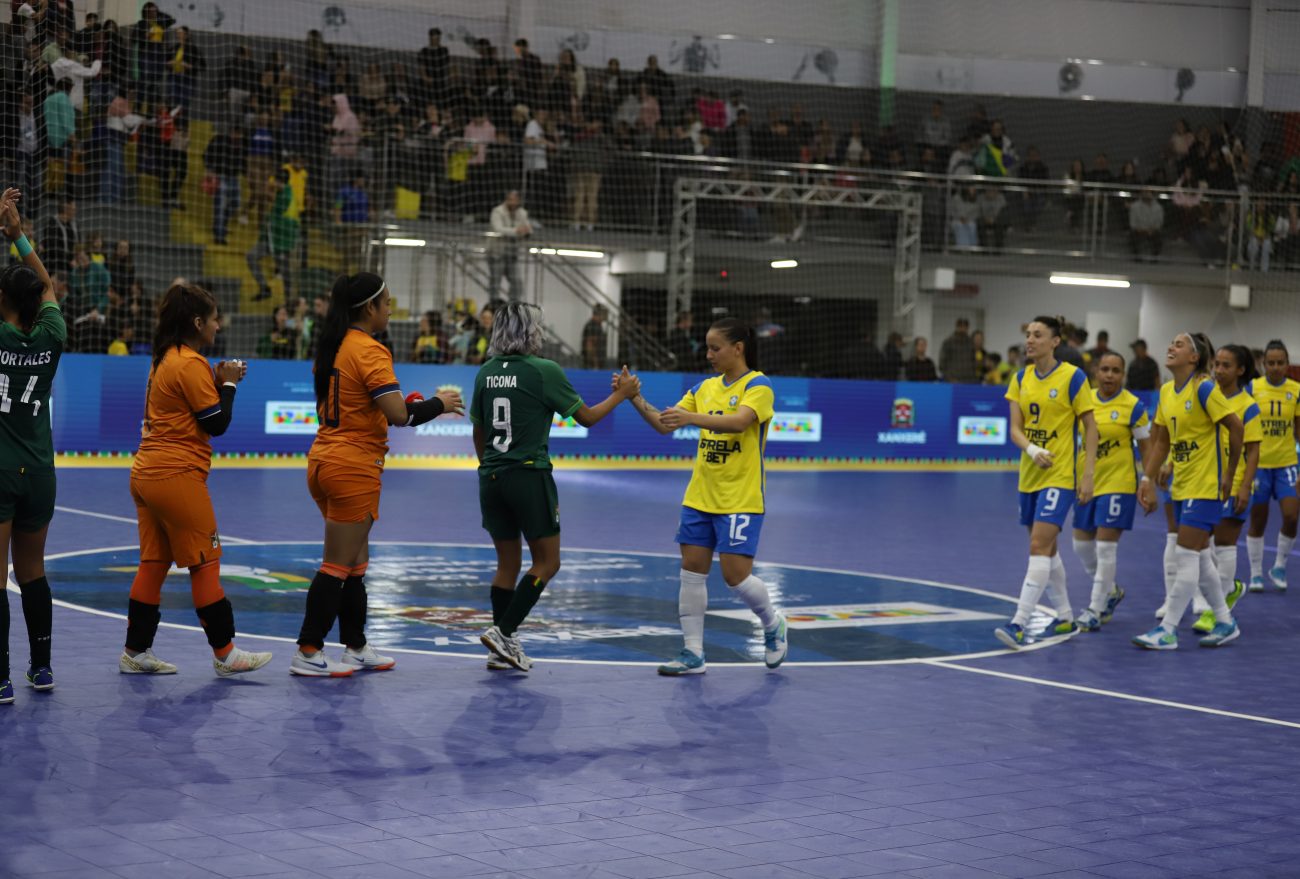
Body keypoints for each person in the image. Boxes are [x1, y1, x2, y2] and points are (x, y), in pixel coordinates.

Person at [291, 273, 464, 677]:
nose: (391, 307)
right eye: (387, 301)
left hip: (325, 461)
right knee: (336, 565)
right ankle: (308, 649)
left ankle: (355, 645)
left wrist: (408, 404)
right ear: (369, 308)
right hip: (353, 466)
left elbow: (355, 405)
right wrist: (440, 403)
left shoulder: (332, 347)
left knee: (354, 564)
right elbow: (399, 416)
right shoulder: (370, 351)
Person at [474, 303, 641, 671]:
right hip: (529, 476)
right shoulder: (543, 371)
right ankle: (503, 633)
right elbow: (588, 418)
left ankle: (501, 647)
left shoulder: (485, 373)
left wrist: (488, 468)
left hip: (491, 478)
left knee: (507, 564)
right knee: (548, 562)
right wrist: (623, 394)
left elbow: (479, 429)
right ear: (529, 331)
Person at [119, 282, 272, 677]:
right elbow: (216, 423)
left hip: (146, 473)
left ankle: (135, 652)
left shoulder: (165, 358)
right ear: (198, 321)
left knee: (153, 563)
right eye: (216, 319)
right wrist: (230, 383)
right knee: (206, 562)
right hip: (177, 475)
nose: (219, 327)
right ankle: (226, 653)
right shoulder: (189, 364)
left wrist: (221, 380)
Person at [621, 318, 787, 675]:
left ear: (738, 348)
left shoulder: (758, 386)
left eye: (715, 348)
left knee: (736, 576)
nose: (708, 354)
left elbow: (740, 422)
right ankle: (693, 654)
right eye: (707, 347)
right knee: (691, 572)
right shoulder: (704, 388)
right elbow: (666, 423)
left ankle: (773, 624)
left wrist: (691, 417)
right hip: (700, 496)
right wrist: (633, 396)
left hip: (740, 498)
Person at [1134, 333, 1245, 650]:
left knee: (1185, 555)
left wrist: (1230, 473)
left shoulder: (1205, 388)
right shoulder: (1167, 391)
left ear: (1194, 358)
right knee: (1200, 560)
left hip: (1206, 484)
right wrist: (1147, 480)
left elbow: (1236, 428)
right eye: (1170, 342)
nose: (1170, 347)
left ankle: (1167, 630)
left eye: (1179, 344)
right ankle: (1225, 621)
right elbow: (1162, 442)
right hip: (1181, 484)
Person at [994, 316, 1098, 649]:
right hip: (1030, 475)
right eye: (1028, 334)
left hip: (1060, 475)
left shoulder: (1072, 376)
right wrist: (1032, 448)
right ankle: (1066, 616)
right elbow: (1015, 430)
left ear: (1055, 341)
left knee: (1038, 545)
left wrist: (1088, 474)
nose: (1030, 340)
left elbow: (1090, 428)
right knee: (1047, 550)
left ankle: (1018, 623)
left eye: (1038, 335)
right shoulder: (1020, 378)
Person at [0, 189, 64, 704]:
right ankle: (40, 668)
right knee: (33, 572)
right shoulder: (50, 335)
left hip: (0, 469)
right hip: (40, 471)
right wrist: (18, 234)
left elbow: (33, 291)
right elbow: (45, 288)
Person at [1070, 351, 1153, 631]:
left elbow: (1147, 448)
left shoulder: (1133, 406)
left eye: (1115, 371)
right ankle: (1111, 590)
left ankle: (1094, 609)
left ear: (1123, 375)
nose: (1109, 375)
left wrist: (1148, 482)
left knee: (1106, 547)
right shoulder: (1085, 400)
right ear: (1096, 372)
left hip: (1119, 482)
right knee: (1081, 545)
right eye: (1104, 369)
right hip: (1087, 481)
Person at [1187, 344, 1260, 636]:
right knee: (1201, 544)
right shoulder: (1207, 396)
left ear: (1240, 370)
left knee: (1225, 545)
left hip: (1234, 482)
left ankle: (1217, 610)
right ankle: (1225, 592)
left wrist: (1244, 486)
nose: (1218, 370)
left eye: (1226, 365)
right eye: (1216, 364)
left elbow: (1253, 451)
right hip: (1206, 481)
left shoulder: (1248, 405)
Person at [1246, 340, 1300, 593]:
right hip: (1259, 464)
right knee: (1258, 518)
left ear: (1287, 364)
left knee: (1291, 515)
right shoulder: (1253, 388)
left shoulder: (1296, 390)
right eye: (1271, 363)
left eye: (1280, 363)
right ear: (1263, 364)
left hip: (1286, 462)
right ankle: (1256, 573)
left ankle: (1278, 566)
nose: (1276, 367)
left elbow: (1299, 432)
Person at [487, 190, 531, 300]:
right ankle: (493, 306)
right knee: (495, 282)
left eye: (514, 200)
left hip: (512, 254)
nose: (512, 203)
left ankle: (513, 308)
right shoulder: (497, 211)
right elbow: (498, 229)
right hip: (497, 253)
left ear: (518, 201)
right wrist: (516, 231)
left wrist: (525, 231)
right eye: (510, 200)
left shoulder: (522, 213)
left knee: (517, 282)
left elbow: (528, 229)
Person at [582, 304, 608, 370]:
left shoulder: (598, 325)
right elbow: (590, 345)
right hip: (592, 365)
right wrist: (595, 365)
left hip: (598, 363)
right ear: (598, 314)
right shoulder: (592, 325)